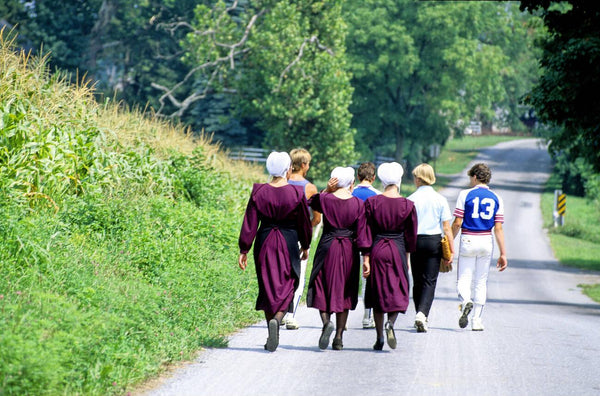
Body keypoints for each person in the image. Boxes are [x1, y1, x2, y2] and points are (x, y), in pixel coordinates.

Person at [238, 152, 312, 352]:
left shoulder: (259, 191)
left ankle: (271, 326)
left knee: (268, 285)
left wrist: (244, 248)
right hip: (288, 241)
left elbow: (250, 222)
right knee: (289, 283)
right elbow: (305, 223)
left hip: (264, 240)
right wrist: (305, 245)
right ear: (288, 169)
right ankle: (278, 320)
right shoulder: (296, 194)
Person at [306, 166, 370, 351]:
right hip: (349, 248)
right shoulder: (359, 204)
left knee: (321, 284)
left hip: (327, 244)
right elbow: (363, 233)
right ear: (352, 183)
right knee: (346, 289)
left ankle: (326, 323)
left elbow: (312, 202)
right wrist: (366, 257)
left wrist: (326, 189)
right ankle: (339, 337)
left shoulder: (326, 199)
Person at [364, 162, 417, 350]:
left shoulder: (372, 202)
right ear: (399, 180)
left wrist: (366, 258)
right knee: (398, 289)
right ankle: (391, 324)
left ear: (381, 180)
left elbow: (366, 232)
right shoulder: (408, 205)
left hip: (378, 247)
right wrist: (407, 259)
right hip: (398, 249)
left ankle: (379, 337)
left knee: (376, 291)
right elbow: (411, 236)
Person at [451, 163, 507, 331]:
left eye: (470, 177)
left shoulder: (465, 194)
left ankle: (466, 300)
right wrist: (503, 253)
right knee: (481, 282)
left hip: (468, 239)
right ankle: (477, 320)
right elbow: (498, 228)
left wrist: (448, 241)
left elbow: (457, 222)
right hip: (486, 241)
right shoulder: (497, 198)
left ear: (475, 177)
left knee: (463, 279)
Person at [407, 163, 454, 333]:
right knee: (430, 280)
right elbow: (447, 227)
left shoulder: (410, 199)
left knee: (417, 280)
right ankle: (422, 314)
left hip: (415, 241)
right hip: (433, 241)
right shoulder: (440, 199)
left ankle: (419, 312)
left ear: (419, 179)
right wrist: (451, 250)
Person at [281, 148, 322, 330]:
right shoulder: (310, 188)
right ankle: (291, 315)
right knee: (299, 274)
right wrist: (307, 227)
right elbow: (317, 218)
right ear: (304, 165)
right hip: (298, 236)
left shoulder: (281, 183)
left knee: (280, 274)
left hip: (279, 234)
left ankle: (279, 311)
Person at [351, 162, 380, 329]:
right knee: (366, 277)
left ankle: (343, 314)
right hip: (369, 240)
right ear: (373, 177)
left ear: (358, 176)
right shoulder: (377, 195)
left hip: (349, 238)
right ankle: (367, 315)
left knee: (347, 277)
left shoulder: (350, 193)